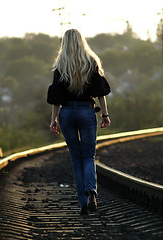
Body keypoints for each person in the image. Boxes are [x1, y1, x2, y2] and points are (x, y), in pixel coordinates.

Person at [47, 29, 111, 215]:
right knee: (88, 155)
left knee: (76, 158)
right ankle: (91, 191)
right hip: (86, 111)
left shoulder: (61, 64)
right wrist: (105, 115)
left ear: (64, 43)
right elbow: (100, 92)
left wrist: (53, 119)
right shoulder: (91, 62)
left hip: (66, 113)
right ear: (82, 41)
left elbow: (56, 97)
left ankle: (83, 204)